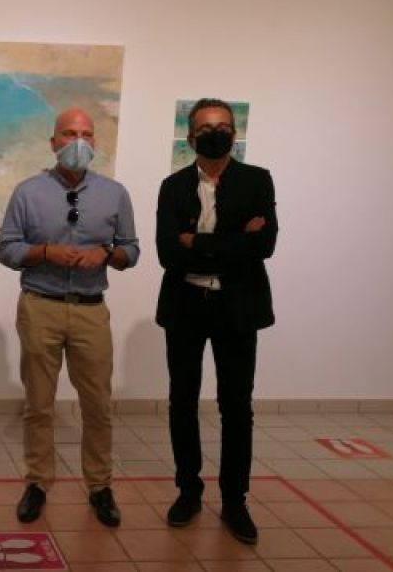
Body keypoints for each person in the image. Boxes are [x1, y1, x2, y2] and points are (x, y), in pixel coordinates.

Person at [0, 108, 139, 527]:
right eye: (70, 134)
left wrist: (106, 254)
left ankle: (100, 486)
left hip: (91, 309)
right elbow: (6, 249)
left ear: (95, 142)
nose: (79, 142)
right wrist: (44, 251)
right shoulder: (27, 192)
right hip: (39, 305)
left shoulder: (115, 193)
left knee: (97, 405)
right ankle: (37, 482)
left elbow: (131, 249)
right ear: (53, 142)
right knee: (38, 404)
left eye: (86, 134)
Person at [156, 98, 278, 545]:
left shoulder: (257, 180)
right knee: (182, 401)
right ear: (191, 137)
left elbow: (264, 245)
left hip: (238, 307)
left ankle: (235, 501)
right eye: (206, 127)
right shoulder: (173, 186)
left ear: (235, 134)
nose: (216, 132)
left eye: (224, 126)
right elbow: (168, 252)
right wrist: (234, 241)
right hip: (186, 305)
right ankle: (188, 491)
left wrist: (199, 242)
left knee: (237, 405)